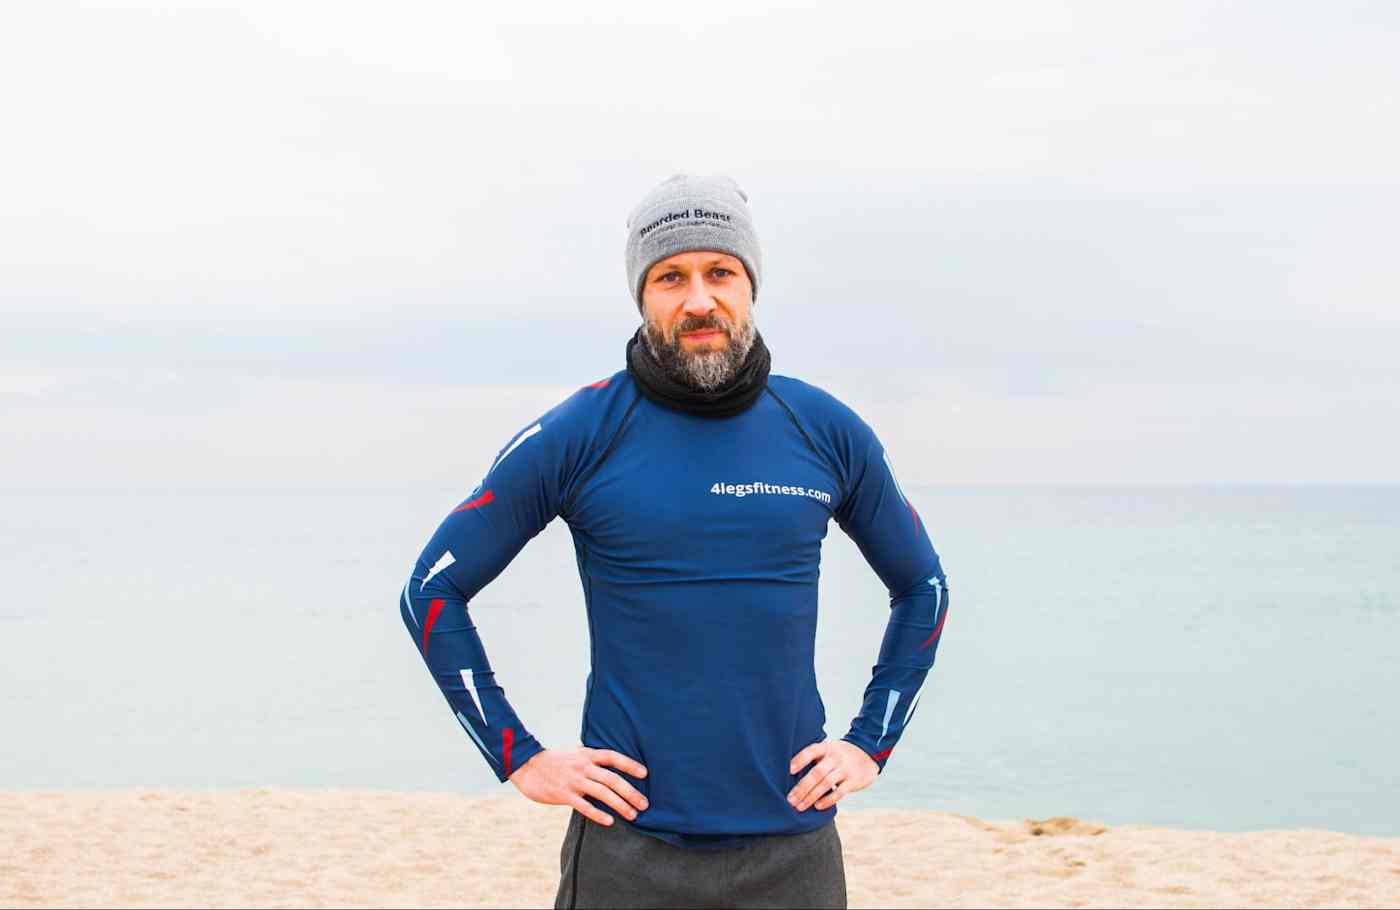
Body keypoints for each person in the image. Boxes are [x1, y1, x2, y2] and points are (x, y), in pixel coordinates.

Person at [398, 174, 950, 909]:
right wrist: (517, 756)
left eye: (719, 272)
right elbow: (431, 589)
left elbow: (925, 589)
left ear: (750, 284)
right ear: (641, 293)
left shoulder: (824, 430)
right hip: (628, 851)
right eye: (670, 277)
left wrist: (869, 741)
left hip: (794, 852)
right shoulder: (580, 433)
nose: (698, 299)